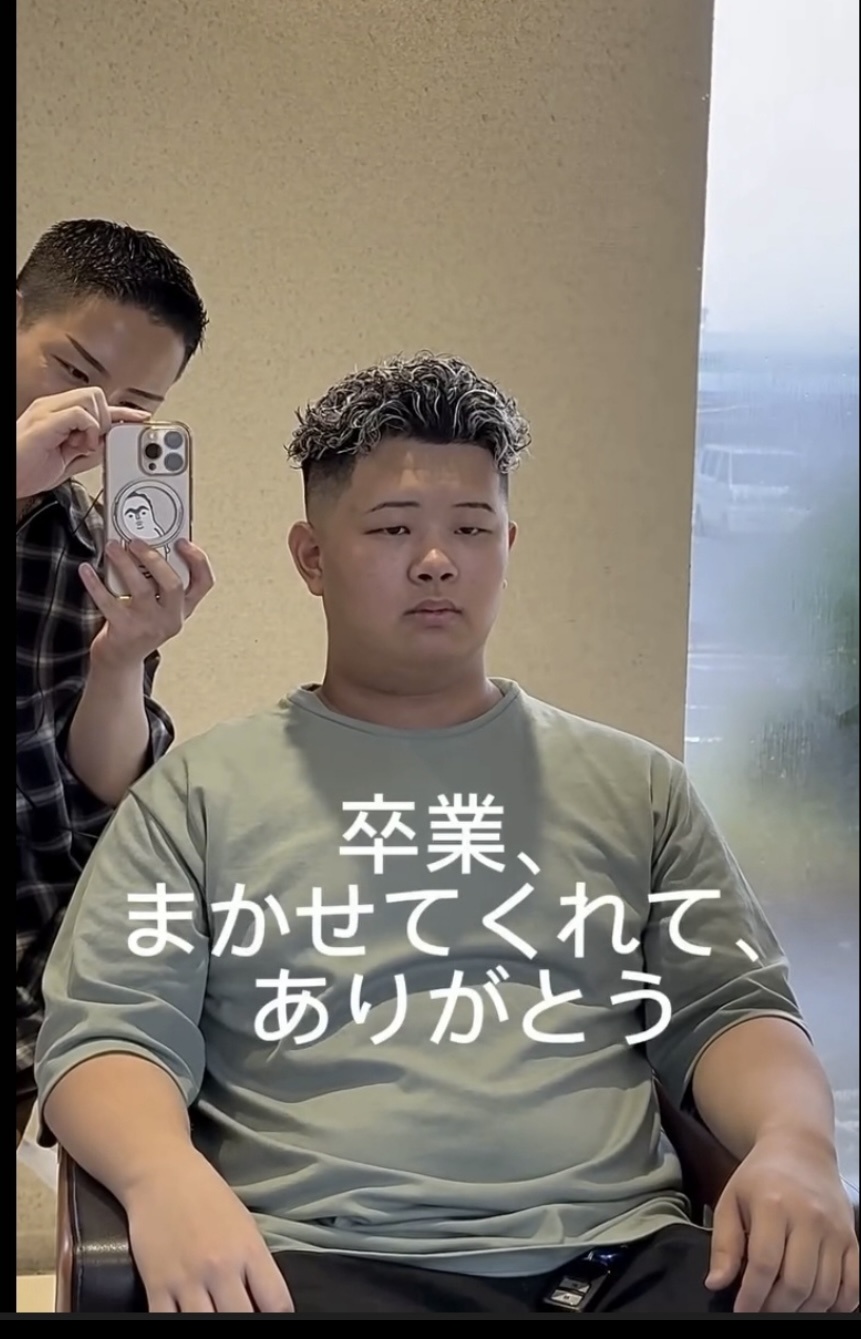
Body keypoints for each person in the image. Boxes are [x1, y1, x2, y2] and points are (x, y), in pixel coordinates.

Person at [34, 354, 857, 1315]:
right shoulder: (197, 795)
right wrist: (163, 1179)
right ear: (311, 557)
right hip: (312, 1264)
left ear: (508, 542)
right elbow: (108, 1032)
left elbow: (728, 1007)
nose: (436, 560)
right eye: (392, 528)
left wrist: (796, 1143)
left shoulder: (637, 787)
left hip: (622, 1260)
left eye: (470, 527)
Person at [17, 219, 215, 1144]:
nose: (93, 423)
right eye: (73, 372)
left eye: (135, 406)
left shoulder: (91, 544)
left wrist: (120, 660)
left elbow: (96, 792)